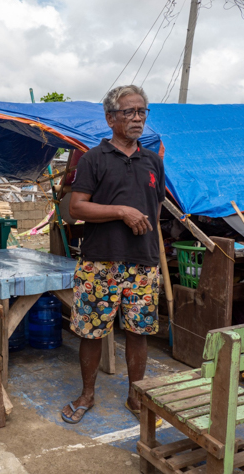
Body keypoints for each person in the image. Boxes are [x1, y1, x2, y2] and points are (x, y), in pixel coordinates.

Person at [61, 85, 165, 425]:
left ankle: (136, 397)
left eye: (141, 112)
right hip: (99, 262)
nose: (137, 118)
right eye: (128, 112)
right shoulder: (93, 159)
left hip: (143, 263)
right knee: (91, 332)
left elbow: (156, 207)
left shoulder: (152, 161)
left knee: (139, 332)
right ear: (110, 118)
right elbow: (76, 207)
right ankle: (87, 394)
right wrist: (121, 211)